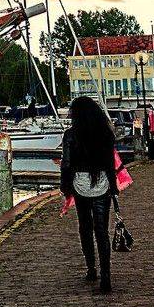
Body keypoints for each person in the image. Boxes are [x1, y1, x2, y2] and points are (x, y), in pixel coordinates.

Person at [60, 96, 120, 293]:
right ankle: (106, 275)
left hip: (81, 184)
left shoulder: (70, 135)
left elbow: (66, 164)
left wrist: (65, 187)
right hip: (102, 182)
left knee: (85, 228)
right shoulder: (105, 133)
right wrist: (113, 186)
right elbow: (111, 164)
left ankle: (91, 268)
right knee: (101, 231)